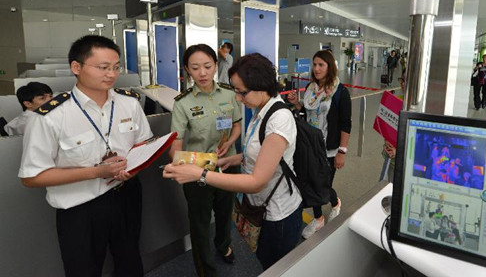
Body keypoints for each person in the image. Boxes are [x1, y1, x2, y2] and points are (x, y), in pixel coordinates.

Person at [18, 35, 153, 277]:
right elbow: (32, 177)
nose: (111, 74)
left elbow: (143, 142)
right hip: (80, 208)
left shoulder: (129, 103)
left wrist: (135, 168)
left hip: (127, 196)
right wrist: (96, 172)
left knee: (130, 263)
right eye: (103, 67)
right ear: (76, 67)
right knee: (83, 270)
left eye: (115, 67)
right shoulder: (50, 116)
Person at [163, 53, 303, 271]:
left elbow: (257, 181)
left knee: (275, 267)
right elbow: (260, 154)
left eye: (241, 92)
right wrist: (235, 158)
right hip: (261, 206)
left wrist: (200, 175)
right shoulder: (260, 111)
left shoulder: (279, 118)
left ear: (261, 85)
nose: (237, 98)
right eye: (236, 90)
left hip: (278, 212)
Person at [169, 44, 242, 276]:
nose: (202, 73)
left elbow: (238, 124)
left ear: (216, 65)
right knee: (199, 222)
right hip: (197, 168)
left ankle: (223, 245)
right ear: (187, 70)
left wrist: (230, 142)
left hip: (228, 164)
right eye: (195, 67)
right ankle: (205, 269)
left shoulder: (230, 93)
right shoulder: (182, 103)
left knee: (224, 212)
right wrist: (179, 163)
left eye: (207, 66)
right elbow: (176, 142)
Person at [287, 50, 352, 239]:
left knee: (322, 184)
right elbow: (308, 113)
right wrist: (296, 103)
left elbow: (345, 124)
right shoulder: (310, 88)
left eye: (321, 65)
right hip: (309, 144)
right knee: (311, 181)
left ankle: (335, 202)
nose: (316, 68)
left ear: (329, 67)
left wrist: (342, 151)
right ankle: (318, 218)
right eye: (314, 64)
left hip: (330, 148)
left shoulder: (340, 91)